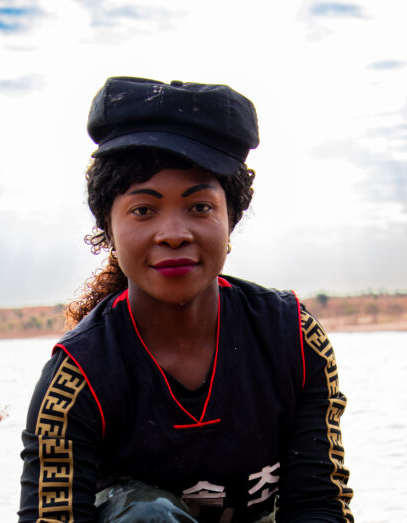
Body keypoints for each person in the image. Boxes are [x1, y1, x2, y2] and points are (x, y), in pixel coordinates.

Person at [19, 77, 353, 522]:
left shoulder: (291, 337)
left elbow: (319, 506)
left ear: (230, 220)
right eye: (143, 210)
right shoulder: (80, 377)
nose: (174, 233)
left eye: (199, 207)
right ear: (109, 230)